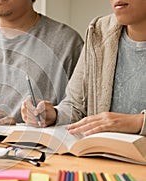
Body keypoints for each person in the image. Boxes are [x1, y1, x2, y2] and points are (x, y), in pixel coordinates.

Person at [21, 0, 146, 136]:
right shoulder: (99, 31)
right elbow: (75, 106)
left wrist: (138, 122)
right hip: (100, 154)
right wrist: (54, 114)